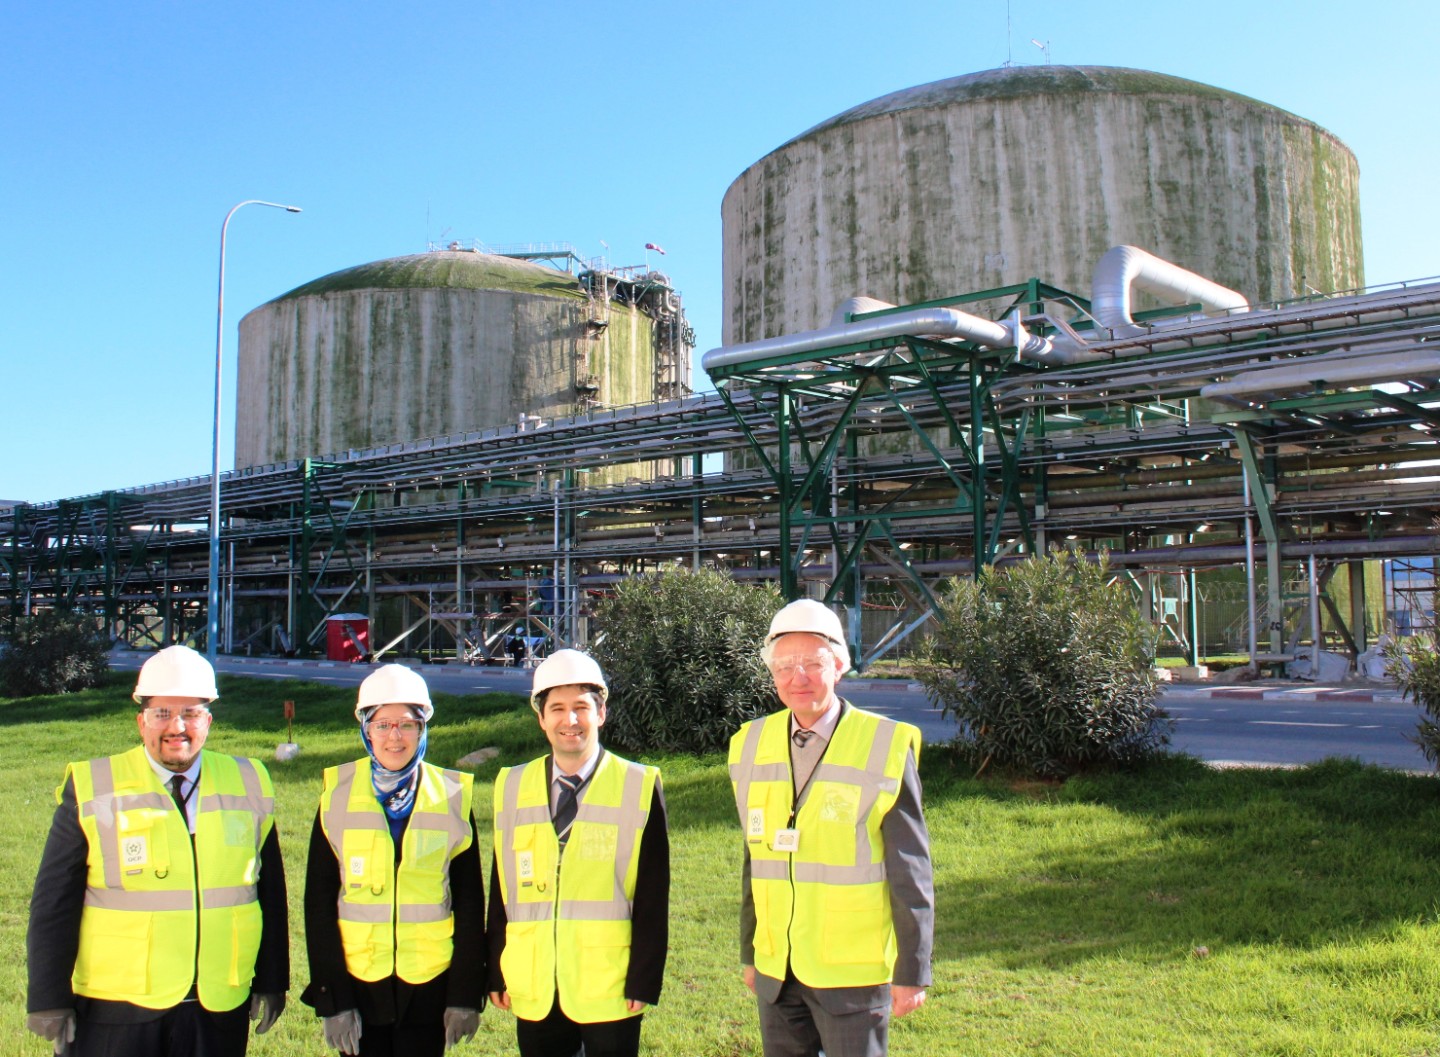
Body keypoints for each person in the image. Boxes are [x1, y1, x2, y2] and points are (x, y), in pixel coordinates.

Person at [26, 645, 289, 1057]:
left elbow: (268, 892)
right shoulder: (94, 785)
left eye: (191, 713)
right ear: (140, 721)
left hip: (217, 1004)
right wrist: (48, 997)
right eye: (162, 713)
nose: (177, 727)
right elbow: (54, 901)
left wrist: (273, 980)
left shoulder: (250, 781)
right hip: (117, 1010)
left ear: (209, 720)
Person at [730, 600, 934, 1057]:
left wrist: (912, 968)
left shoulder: (883, 744)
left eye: (812, 663)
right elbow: (755, 858)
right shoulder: (749, 744)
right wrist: (752, 953)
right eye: (784, 665)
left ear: (839, 665)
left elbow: (910, 867)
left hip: (851, 974)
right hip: (777, 972)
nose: (796, 676)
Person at [487, 649, 669, 1057]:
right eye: (557, 709)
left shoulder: (638, 785)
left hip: (609, 982)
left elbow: (654, 896)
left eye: (581, 707)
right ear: (541, 718)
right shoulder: (511, 786)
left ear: (601, 713)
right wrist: (496, 969)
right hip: (534, 981)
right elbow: (502, 888)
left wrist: (644, 978)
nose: (569, 721)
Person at [302, 664, 484, 1056]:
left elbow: (471, 905)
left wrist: (465, 995)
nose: (395, 737)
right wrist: (333, 1000)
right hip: (359, 988)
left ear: (423, 729)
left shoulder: (453, 797)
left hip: (430, 989)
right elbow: (317, 906)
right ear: (366, 730)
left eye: (407, 724)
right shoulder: (335, 797)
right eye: (383, 724)